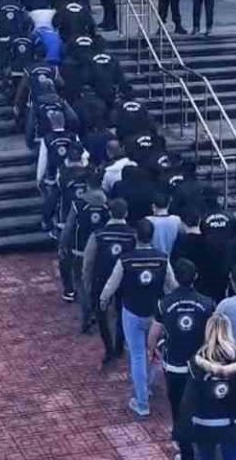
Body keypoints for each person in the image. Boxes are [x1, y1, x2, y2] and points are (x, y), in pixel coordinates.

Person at [99, 219, 177, 417]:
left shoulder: (126, 260)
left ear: (136, 236)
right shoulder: (162, 259)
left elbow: (112, 283)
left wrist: (103, 299)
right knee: (154, 351)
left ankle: (142, 402)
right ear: (151, 236)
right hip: (155, 313)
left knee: (137, 355)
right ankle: (148, 385)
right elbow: (172, 286)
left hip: (132, 311)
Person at [151, 258, 215, 460]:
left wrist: (152, 350)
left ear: (176, 278)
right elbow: (213, 336)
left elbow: (154, 334)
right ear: (195, 276)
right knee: (202, 407)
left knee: (178, 409)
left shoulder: (164, 303)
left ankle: (186, 453)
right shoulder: (208, 303)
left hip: (174, 367)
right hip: (200, 366)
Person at [175, 312, 236, 460]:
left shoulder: (197, 360)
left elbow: (189, 399)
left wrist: (181, 430)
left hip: (203, 425)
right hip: (232, 424)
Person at [81, 199, 135, 362]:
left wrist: (87, 282)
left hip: (101, 279)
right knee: (122, 312)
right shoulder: (133, 235)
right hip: (126, 281)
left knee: (101, 314)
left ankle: (109, 349)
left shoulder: (98, 235)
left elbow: (88, 262)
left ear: (110, 213)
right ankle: (119, 345)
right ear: (126, 213)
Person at [59, 169, 108, 305]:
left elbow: (68, 227)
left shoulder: (78, 205)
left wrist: (62, 245)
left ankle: (84, 305)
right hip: (101, 249)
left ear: (87, 185)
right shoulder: (108, 204)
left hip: (79, 249)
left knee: (80, 279)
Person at [172, 206, 228, 302]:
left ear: (182, 223)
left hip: (189, 293)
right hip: (211, 291)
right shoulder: (212, 243)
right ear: (200, 220)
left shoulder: (180, 244)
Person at [146, 192, 185, 257]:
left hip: (154, 258)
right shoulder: (177, 220)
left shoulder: (148, 220)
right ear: (168, 204)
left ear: (153, 206)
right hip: (172, 257)